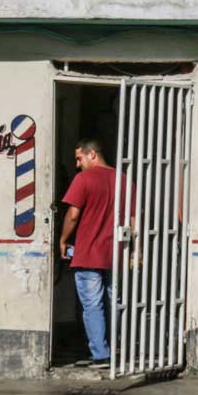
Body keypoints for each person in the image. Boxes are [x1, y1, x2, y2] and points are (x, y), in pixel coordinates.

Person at [59, 139, 122, 367]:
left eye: (79, 158)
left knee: (92, 305)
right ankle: (114, 348)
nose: (77, 164)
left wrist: (63, 239)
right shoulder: (121, 179)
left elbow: (73, 215)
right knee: (112, 301)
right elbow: (135, 216)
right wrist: (137, 249)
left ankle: (101, 354)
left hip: (87, 254)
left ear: (92, 154)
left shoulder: (83, 179)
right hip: (114, 253)